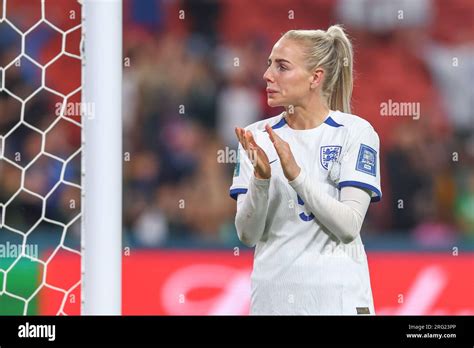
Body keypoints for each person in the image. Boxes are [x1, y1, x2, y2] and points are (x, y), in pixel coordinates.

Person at [229, 25, 382, 315]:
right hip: (271, 302)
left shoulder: (354, 133)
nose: (267, 75)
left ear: (315, 77)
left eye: (282, 66)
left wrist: (296, 176)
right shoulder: (256, 137)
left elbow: (349, 227)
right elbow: (247, 235)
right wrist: (262, 180)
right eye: (269, 64)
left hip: (339, 302)